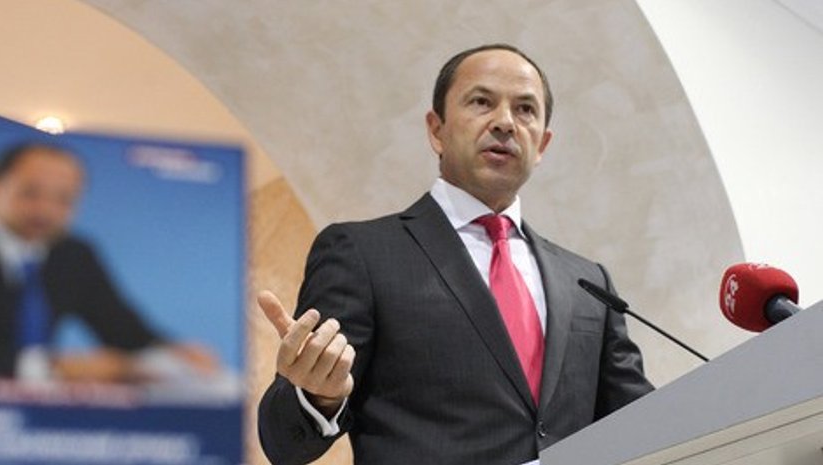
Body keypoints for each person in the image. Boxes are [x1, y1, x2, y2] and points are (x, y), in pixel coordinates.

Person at [257, 44, 654, 464]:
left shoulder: (587, 283)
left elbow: (647, 423)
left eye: (525, 109)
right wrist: (317, 395)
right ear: (436, 130)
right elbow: (285, 444)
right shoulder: (362, 253)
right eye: (481, 102)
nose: (505, 122)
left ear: (542, 144)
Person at [0, 142, 216, 385]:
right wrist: (50, 368)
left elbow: (122, 329)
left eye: (64, 199)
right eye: (30, 193)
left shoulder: (74, 254)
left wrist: (170, 351)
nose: (46, 210)